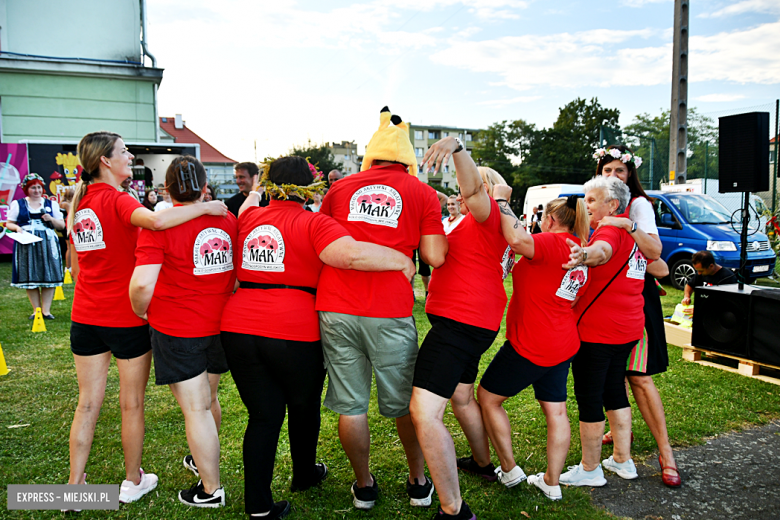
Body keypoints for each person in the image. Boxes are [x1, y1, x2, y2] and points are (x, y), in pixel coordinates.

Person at [220, 156, 416, 518]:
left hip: (238, 325)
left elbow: (247, 202)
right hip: (293, 328)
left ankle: (259, 506)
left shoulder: (248, 218)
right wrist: (401, 260)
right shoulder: (314, 222)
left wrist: (258, 191)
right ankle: (304, 473)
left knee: (263, 417)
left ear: (269, 183)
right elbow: (350, 255)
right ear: (308, 186)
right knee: (303, 404)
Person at [65, 131, 227, 504]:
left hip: (84, 316)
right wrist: (205, 207)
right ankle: (132, 480)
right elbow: (155, 222)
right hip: (124, 318)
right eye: (123, 151)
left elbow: (74, 267)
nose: (129, 155)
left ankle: (74, 486)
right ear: (105, 161)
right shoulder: (118, 200)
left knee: (87, 403)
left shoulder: (81, 202)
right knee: (130, 403)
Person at [315, 107, 448, 511]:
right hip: (389, 309)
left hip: (335, 305)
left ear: (371, 155)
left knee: (351, 404)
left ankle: (364, 485)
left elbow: (322, 241)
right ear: (408, 158)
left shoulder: (340, 189)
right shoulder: (422, 193)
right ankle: (418, 480)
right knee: (404, 403)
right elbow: (434, 256)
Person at [410, 137, 510, 520]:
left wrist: (456, 149)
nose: (459, 195)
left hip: (459, 324)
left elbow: (471, 187)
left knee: (423, 411)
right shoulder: (486, 223)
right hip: (476, 322)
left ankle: (453, 509)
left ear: (484, 189)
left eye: (463, 190)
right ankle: (483, 464)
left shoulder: (487, 215)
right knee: (462, 397)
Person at [129, 156, 236, 508]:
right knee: (208, 401)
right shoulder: (227, 219)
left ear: (168, 189)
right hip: (220, 323)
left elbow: (143, 285)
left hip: (178, 327)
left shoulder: (158, 227)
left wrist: (140, 311)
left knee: (197, 409)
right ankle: (201, 458)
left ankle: (210, 489)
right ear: (205, 187)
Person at [476, 190, 589, 501]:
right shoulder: (580, 250)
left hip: (531, 342)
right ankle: (551, 482)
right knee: (556, 412)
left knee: (487, 398)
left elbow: (517, 240)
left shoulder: (551, 242)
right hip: (561, 341)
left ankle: (510, 470)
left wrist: (501, 204)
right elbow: (573, 297)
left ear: (550, 219)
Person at [559, 176, 665, 488]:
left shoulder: (608, 230)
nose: (586, 205)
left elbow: (602, 252)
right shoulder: (635, 233)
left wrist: (583, 256)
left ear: (612, 205)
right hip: (627, 329)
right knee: (615, 393)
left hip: (598, 332)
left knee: (590, 398)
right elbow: (655, 258)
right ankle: (622, 460)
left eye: (591, 200)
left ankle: (590, 469)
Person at [593, 144, 680, 488]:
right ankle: (617, 430)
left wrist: (627, 224)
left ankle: (666, 452)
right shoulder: (594, 200)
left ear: (631, 175)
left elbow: (656, 255)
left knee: (638, 376)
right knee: (607, 370)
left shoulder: (638, 204)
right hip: (603, 299)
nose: (613, 176)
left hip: (634, 299)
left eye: (620, 170)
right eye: (607, 170)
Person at [6, 173, 65, 319]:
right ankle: (36, 310)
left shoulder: (51, 204)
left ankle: (46, 310)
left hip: (47, 241)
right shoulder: (18, 204)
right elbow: (9, 223)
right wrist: (18, 229)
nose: (37, 190)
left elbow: (61, 225)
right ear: (27, 189)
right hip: (27, 242)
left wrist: (50, 218)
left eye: (39, 187)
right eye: (33, 187)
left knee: (49, 274)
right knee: (30, 274)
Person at [681, 250, 737, 315]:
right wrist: (687, 296)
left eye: (701, 271)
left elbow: (726, 303)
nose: (699, 273)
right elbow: (689, 285)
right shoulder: (701, 274)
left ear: (711, 266)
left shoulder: (728, 278)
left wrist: (701, 310)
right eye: (697, 270)